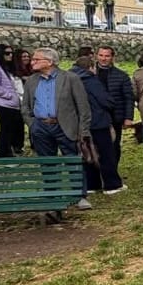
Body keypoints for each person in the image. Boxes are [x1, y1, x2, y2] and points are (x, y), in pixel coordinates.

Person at [21, 48, 92, 212]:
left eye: (36, 60)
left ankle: (79, 196)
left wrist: (83, 130)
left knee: (73, 160)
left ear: (50, 62)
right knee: (47, 162)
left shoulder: (70, 78)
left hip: (65, 125)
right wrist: (32, 124)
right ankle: (52, 194)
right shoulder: (32, 81)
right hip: (40, 126)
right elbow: (25, 106)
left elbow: (83, 107)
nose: (32, 62)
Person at [72, 46, 124, 194]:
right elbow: (105, 100)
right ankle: (112, 185)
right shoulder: (90, 80)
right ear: (91, 67)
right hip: (98, 121)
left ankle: (91, 184)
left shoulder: (69, 79)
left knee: (87, 153)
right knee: (106, 153)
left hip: (80, 122)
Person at [95, 45, 135, 169]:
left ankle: (112, 169)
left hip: (115, 116)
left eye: (107, 56)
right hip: (95, 117)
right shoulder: (89, 74)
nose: (103, 59)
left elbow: (128, 97)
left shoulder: (121, 75)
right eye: (101, 55)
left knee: (114, 145)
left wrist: (128, 117)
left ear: (112, 57)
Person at [0, 44, 25, 157]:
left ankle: (10, 150)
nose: (10, 55)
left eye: (11, 53)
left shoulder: (4, 66)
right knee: (6, 130)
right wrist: (9, 95)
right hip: (3, 103)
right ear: (0, 54)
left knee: (11, 128)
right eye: (7, 53)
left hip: (10, 103)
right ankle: (4, 154)